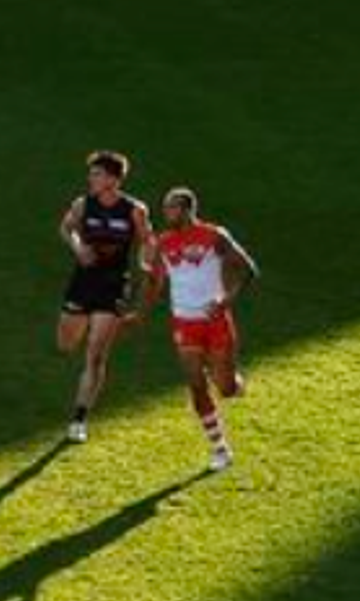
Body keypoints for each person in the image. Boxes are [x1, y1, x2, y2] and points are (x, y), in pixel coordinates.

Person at [147, 188, 259, 473]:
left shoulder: (214, 236)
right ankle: (219, 448)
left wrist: (225, 300)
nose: (166, 213)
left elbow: (247, 269)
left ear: (187, 210)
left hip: (215, 322)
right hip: (185, 323)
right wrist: (140, 305)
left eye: (172, 208)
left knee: (226, 389)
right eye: (165, 208)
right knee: (196, 385)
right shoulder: (164, 242)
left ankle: (233, 381)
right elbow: (157, 282)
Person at [54, 148, 148, 445]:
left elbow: (148, 240)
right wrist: (78, 247)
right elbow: (66, 228)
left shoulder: (135, 209)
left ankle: (79, 419)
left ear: (113, 179)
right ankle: (79, 333)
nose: (90, 178)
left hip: (114, 286)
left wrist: (147, 260)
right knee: (67, 343)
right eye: (91, 173)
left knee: (95, 356)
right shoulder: (84, 204)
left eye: (96, 174)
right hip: (83, 282)